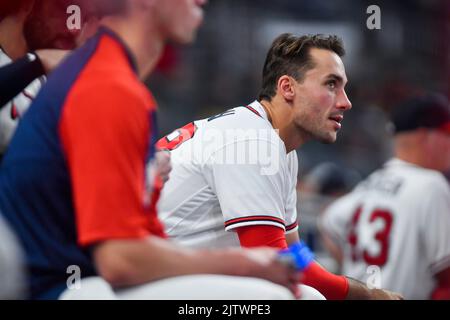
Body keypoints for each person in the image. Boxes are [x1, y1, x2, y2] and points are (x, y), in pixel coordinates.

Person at [0, 0, 299, 300]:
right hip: (60, 289)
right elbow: (119, 259)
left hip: (77, 280)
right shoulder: (107, 82)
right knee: (268, 299)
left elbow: (136, 242)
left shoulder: (109, 72)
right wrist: (241, 262)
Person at [157, 33, 402, 300]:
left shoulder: (274, 144)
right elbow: (272, 263)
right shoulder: (253, 139)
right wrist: (365, 294)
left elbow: (293, 252)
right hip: (140, 278)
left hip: (165, 274)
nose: (345, 101)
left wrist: (351, 288)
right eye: (331, 84)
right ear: (287, 88)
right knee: (292, 296)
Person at [319, 93, 450, 300]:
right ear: (427, 136)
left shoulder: (370, 183)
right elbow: (446, 276)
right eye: (447, 133)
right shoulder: (432, 185)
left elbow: (329, 221)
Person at [0, 0, 86, 157]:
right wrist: (35, 63)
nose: (75, 29)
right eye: (66, 10)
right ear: (28, 4)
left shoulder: (55, 87)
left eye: (83, 18)